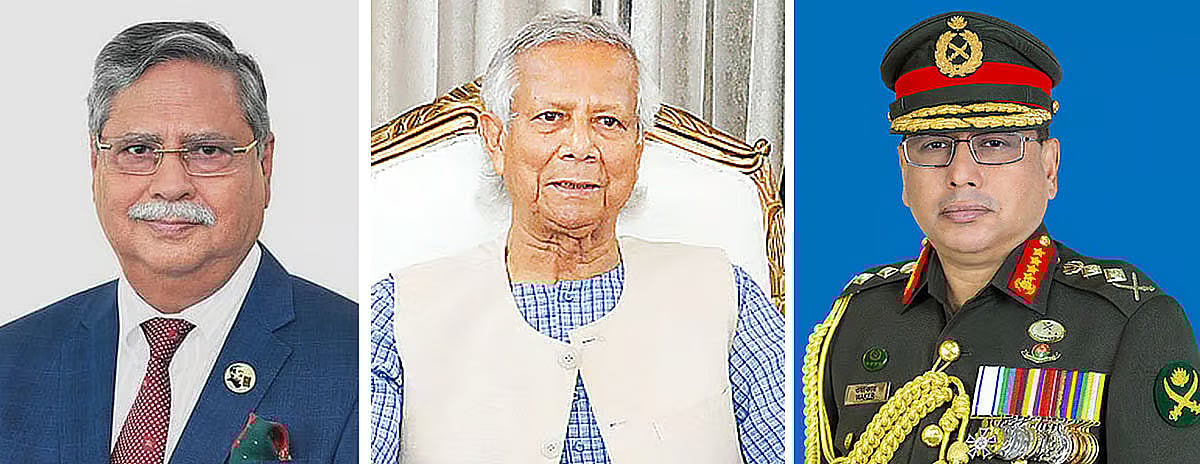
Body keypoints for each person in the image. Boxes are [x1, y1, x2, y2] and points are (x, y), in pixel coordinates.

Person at [369, 11, 785, 464]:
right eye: (551, 117)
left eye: (609, 122)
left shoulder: (725, 293)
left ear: (638, 148)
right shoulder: (397, 313)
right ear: (497, 140)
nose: (581, 146)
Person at [802, 11, 1200, 464]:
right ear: (903, 172)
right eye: (933, 145)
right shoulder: (859, 316)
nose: (960, 174)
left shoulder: (1127, 322)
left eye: (994, 143)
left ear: (1049, 167)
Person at [0, 21, 357, 463]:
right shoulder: (11, 361)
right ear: (96, 166)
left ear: (264, 165)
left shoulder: (358, 362)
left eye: (207, 151)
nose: (171, 185)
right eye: (138, 150)